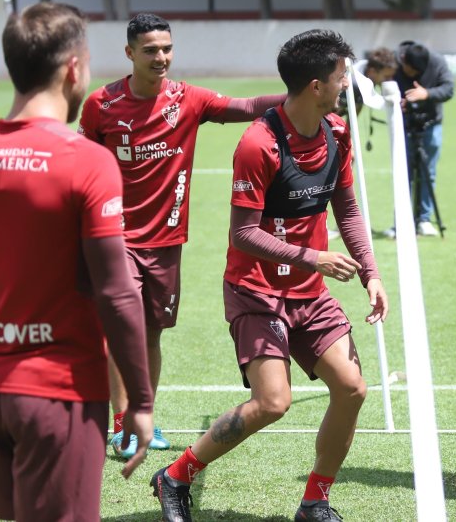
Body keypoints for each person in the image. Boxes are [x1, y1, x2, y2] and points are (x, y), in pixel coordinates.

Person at [150, 29, 388, 522]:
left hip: (308, 293)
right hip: (255, 291)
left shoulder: (337, 132)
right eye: (342, 76)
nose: (347, 84)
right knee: (273, 401)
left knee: (352, 388)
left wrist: (371, 273)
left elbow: (346, 208)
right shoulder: (259, 143)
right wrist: (316, 257)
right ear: (317, 85)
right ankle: (175, 476)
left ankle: (315, 501)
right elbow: (243, 235)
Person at [0, 2, 154, 520]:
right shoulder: (87, 161)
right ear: (73, 69)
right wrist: (141, 401)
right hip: (60, 393)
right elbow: (117, 290)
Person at [78, 13, 285, 458]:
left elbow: (247, 107)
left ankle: (143, 418)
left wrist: (301, 96)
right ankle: (123, 424)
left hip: (167, 242)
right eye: (151, 50)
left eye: (167, 49)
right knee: (123, 330)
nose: (161, 57)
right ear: (130, 53)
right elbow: (84, 166)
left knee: (151, 332)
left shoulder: (187, 99)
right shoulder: (101, 105)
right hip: (115, 237)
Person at [391, 40, 454, 237]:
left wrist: (426, 93)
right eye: (410, 71)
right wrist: (395, 102)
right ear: (403, 62)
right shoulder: (394, 63)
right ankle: (400, 223)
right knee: (404, 175)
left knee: (429, 173)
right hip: (404, 125)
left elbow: (448, 89)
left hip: (430, 124)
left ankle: (424, 219)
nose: (413, 75)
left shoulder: (437, 62)